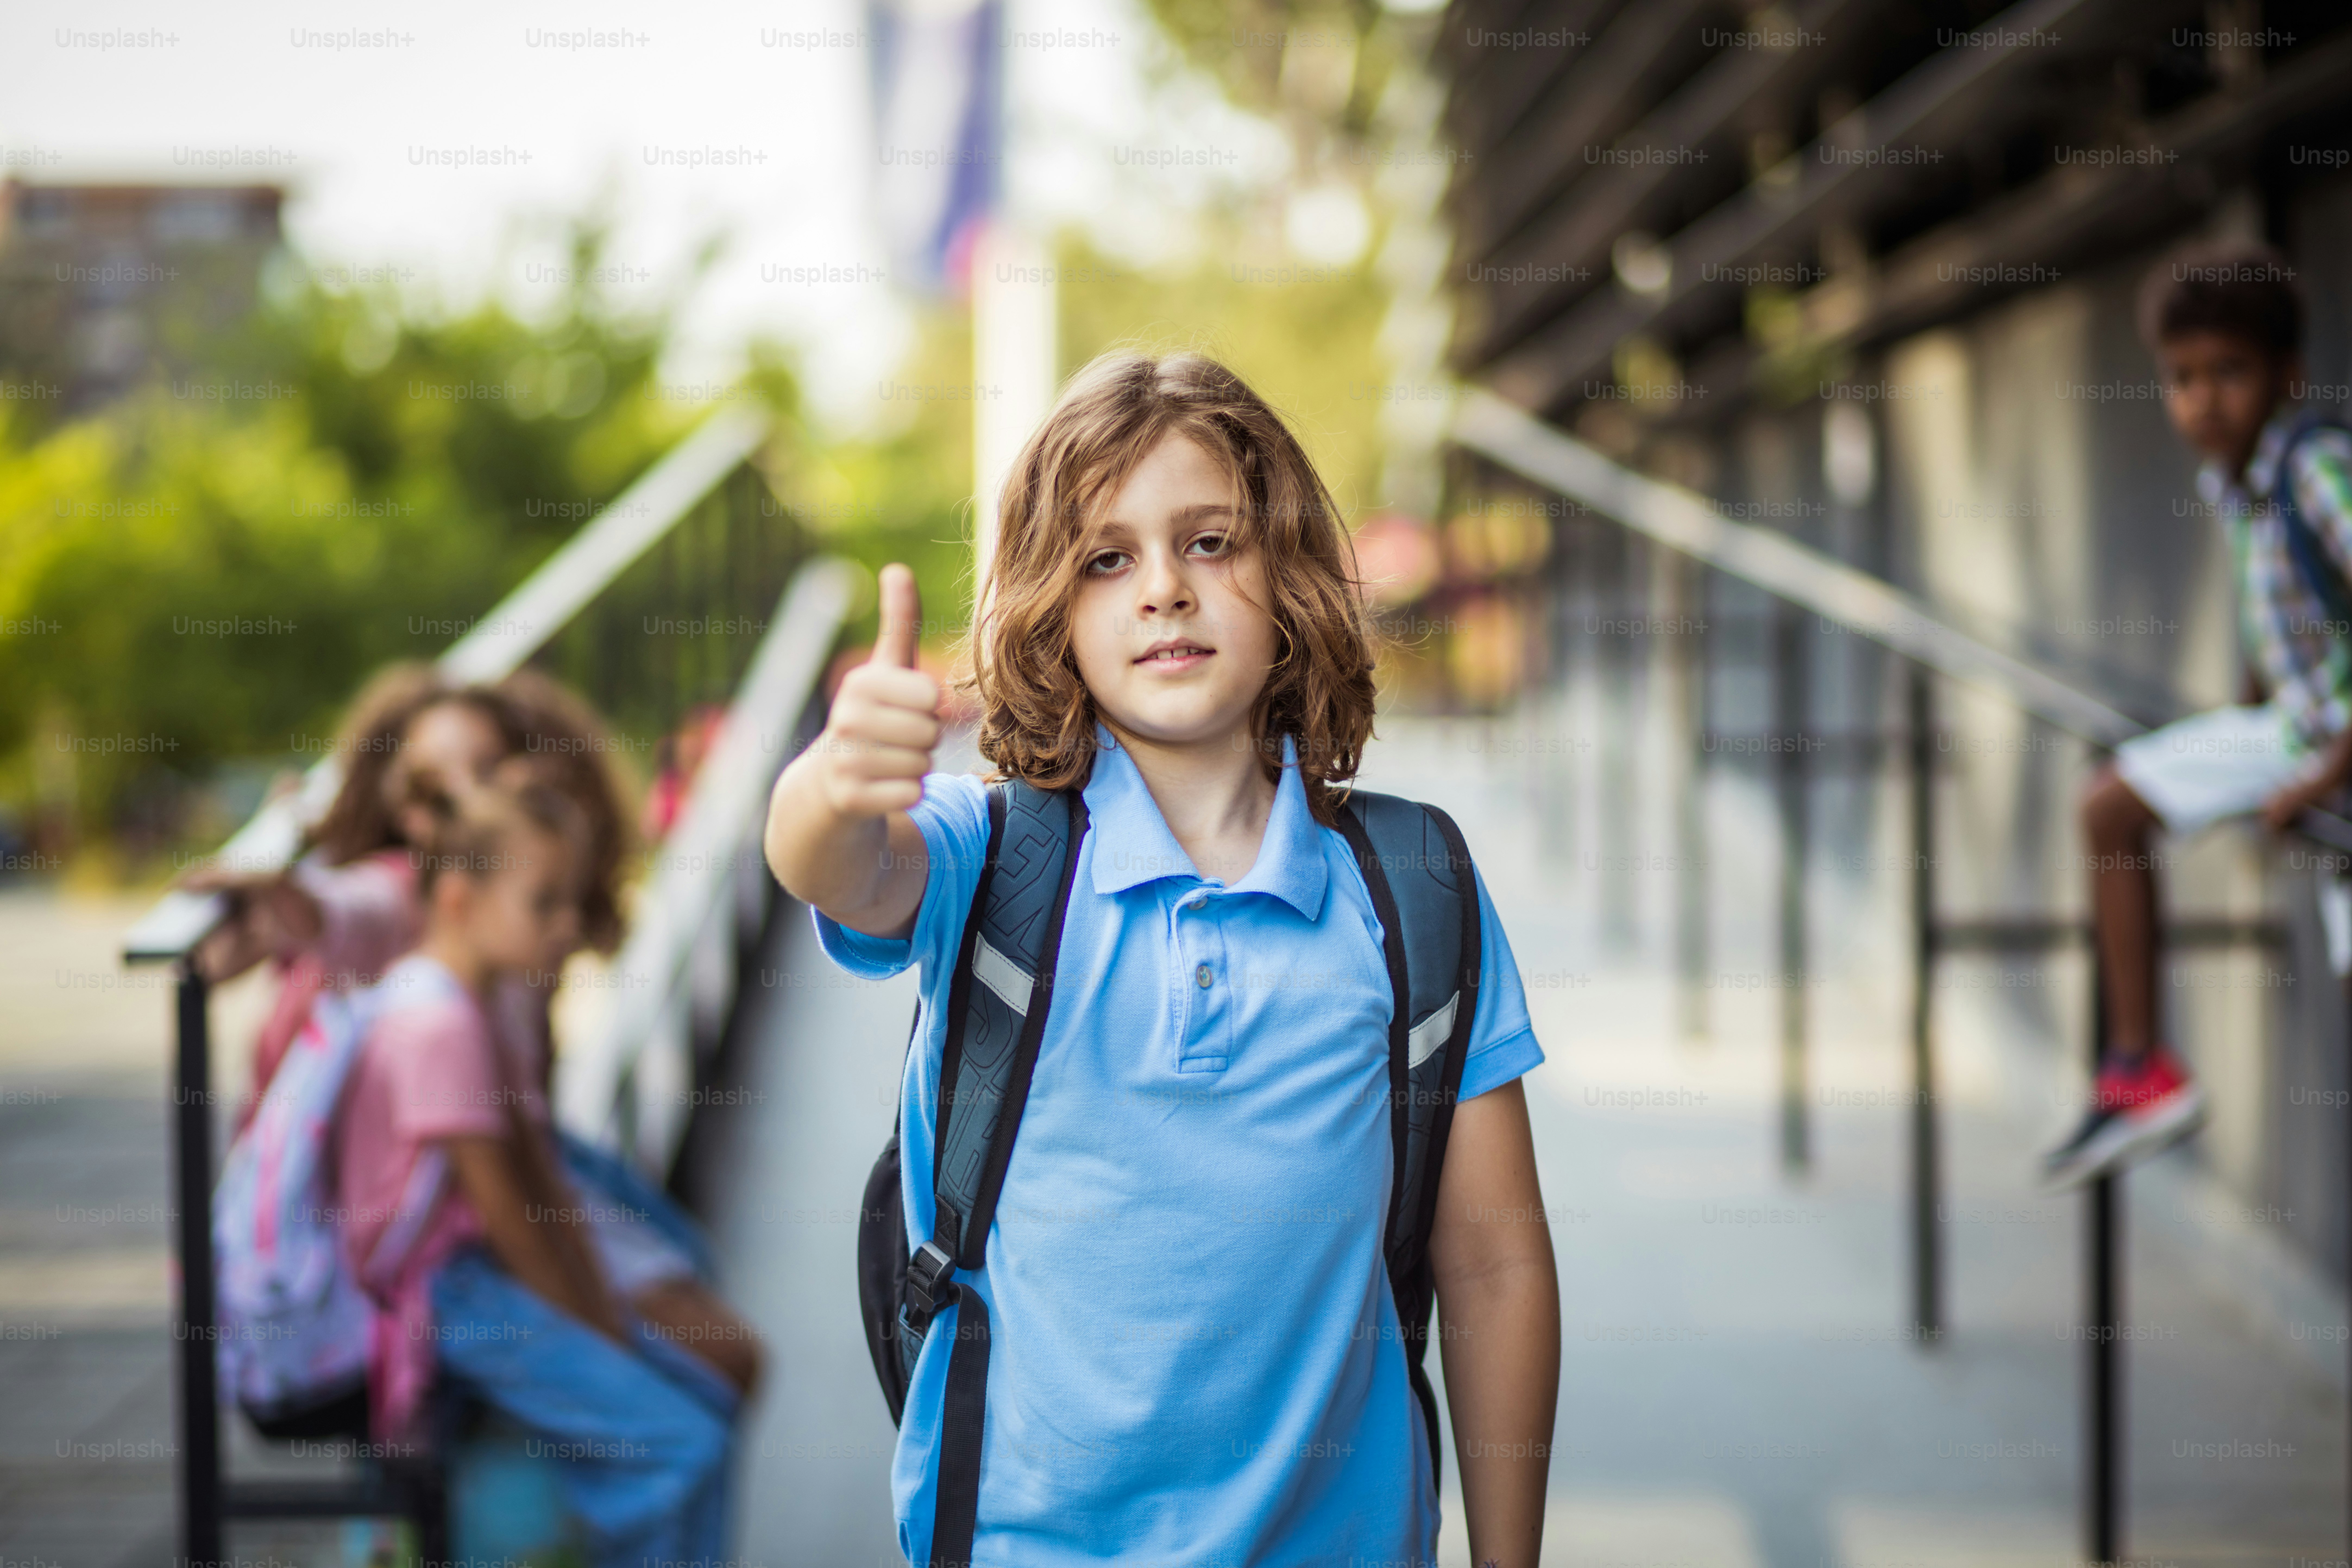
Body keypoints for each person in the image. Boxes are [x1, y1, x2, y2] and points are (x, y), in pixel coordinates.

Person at [765, 352, 1562, 1567]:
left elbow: (1496, 1263)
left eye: (1209, 543)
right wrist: (829, 785)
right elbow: (837, 867)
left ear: (1288, 578)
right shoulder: (986, 861)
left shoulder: (1416, 887)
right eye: (1106, 558)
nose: (1162, 592)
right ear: (1053, 609)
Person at [337, 765, 736, 1566]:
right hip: (445, 1293)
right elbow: (514, 1224)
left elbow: (540, 1193)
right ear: (458, 900)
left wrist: (607, 1324)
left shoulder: (479, 1002)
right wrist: (604, 1336)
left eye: (571, 902)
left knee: (707, 1406)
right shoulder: (438, 1026)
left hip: (474, 1278)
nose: (564, 928)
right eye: (543, 903)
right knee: (681, 1444)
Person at [2055, 238, 2352, 1186]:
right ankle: (2139, 1070)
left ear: (2287, 375)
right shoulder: (2232, 485)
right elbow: (2290, 616)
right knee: (2108, 805)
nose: (2203, 399)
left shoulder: (2316, 468)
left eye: (2229, 371)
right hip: (2298, 730)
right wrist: (2251, 714)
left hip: (2336, 750)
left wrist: (2325, 775)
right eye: (2181, 378)